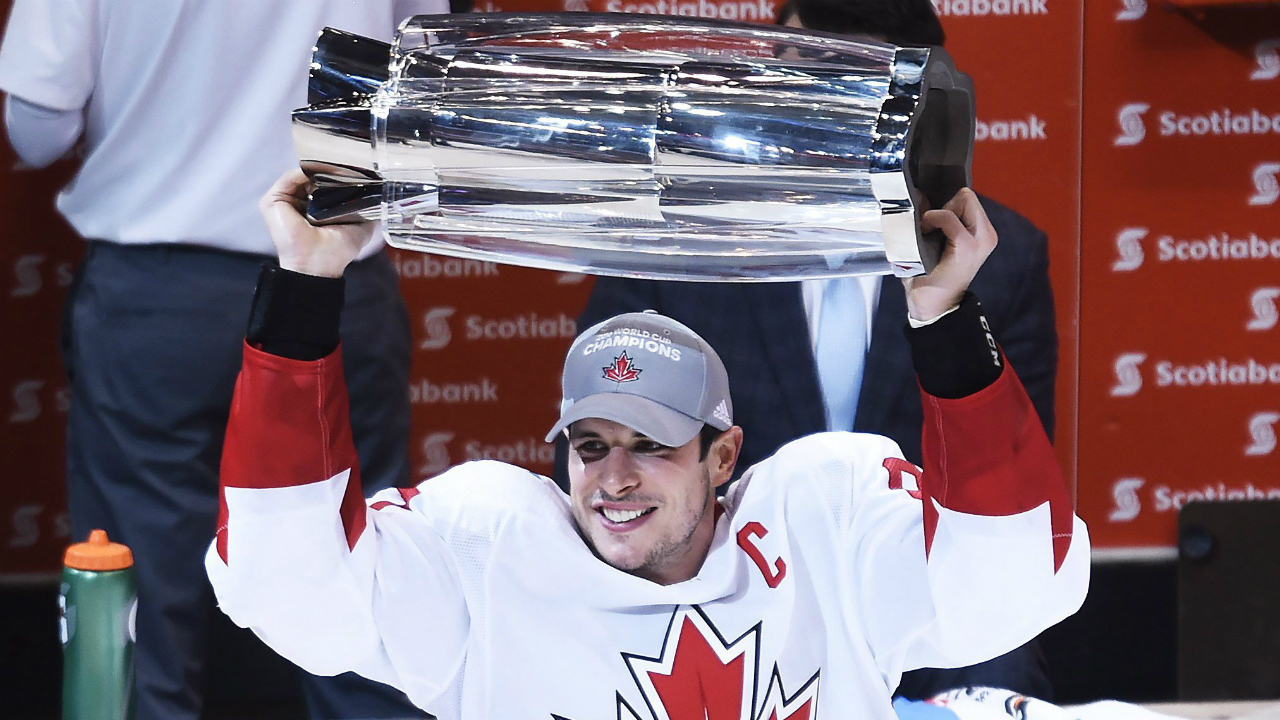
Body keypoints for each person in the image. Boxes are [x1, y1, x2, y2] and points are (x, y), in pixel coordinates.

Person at [205, 169, 1089, 720]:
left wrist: (943, 320)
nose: (613, 478)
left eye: (652, 445)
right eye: (589, 446)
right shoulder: (491, 551)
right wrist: (304, 286)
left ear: (724, 456)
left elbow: (1012, 574)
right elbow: (288, 581)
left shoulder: (820, 529)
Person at [561, 0, 1060, 701]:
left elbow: (1008, 492)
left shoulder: (996, 257)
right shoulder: (677, 241)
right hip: (714, 598)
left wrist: (944, 314)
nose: (810, 105)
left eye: (843, 80)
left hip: (923, 606)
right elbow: (601, 446)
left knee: (999, 654)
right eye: (795, 71)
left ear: (912, 96)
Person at [0, 2, 445, 718]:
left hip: (160, 289)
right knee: (358, 576)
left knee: (137, 597)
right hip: (332, 272)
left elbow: (38, 126)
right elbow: (428, 80)